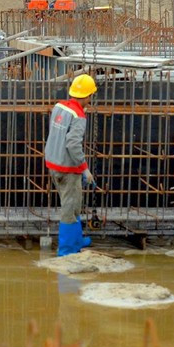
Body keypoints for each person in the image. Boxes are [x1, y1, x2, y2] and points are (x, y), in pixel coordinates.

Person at [44, 74, 97, 256]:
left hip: (53, 162)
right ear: (87, 96)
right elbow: (73, 144)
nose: (90, 100)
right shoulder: (79, 116)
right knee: (69, 207)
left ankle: (77, 239)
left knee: (75, 203)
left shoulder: (59, 107)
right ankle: (67, 250)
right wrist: (85, 169)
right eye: (90, 96)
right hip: (68, 169)